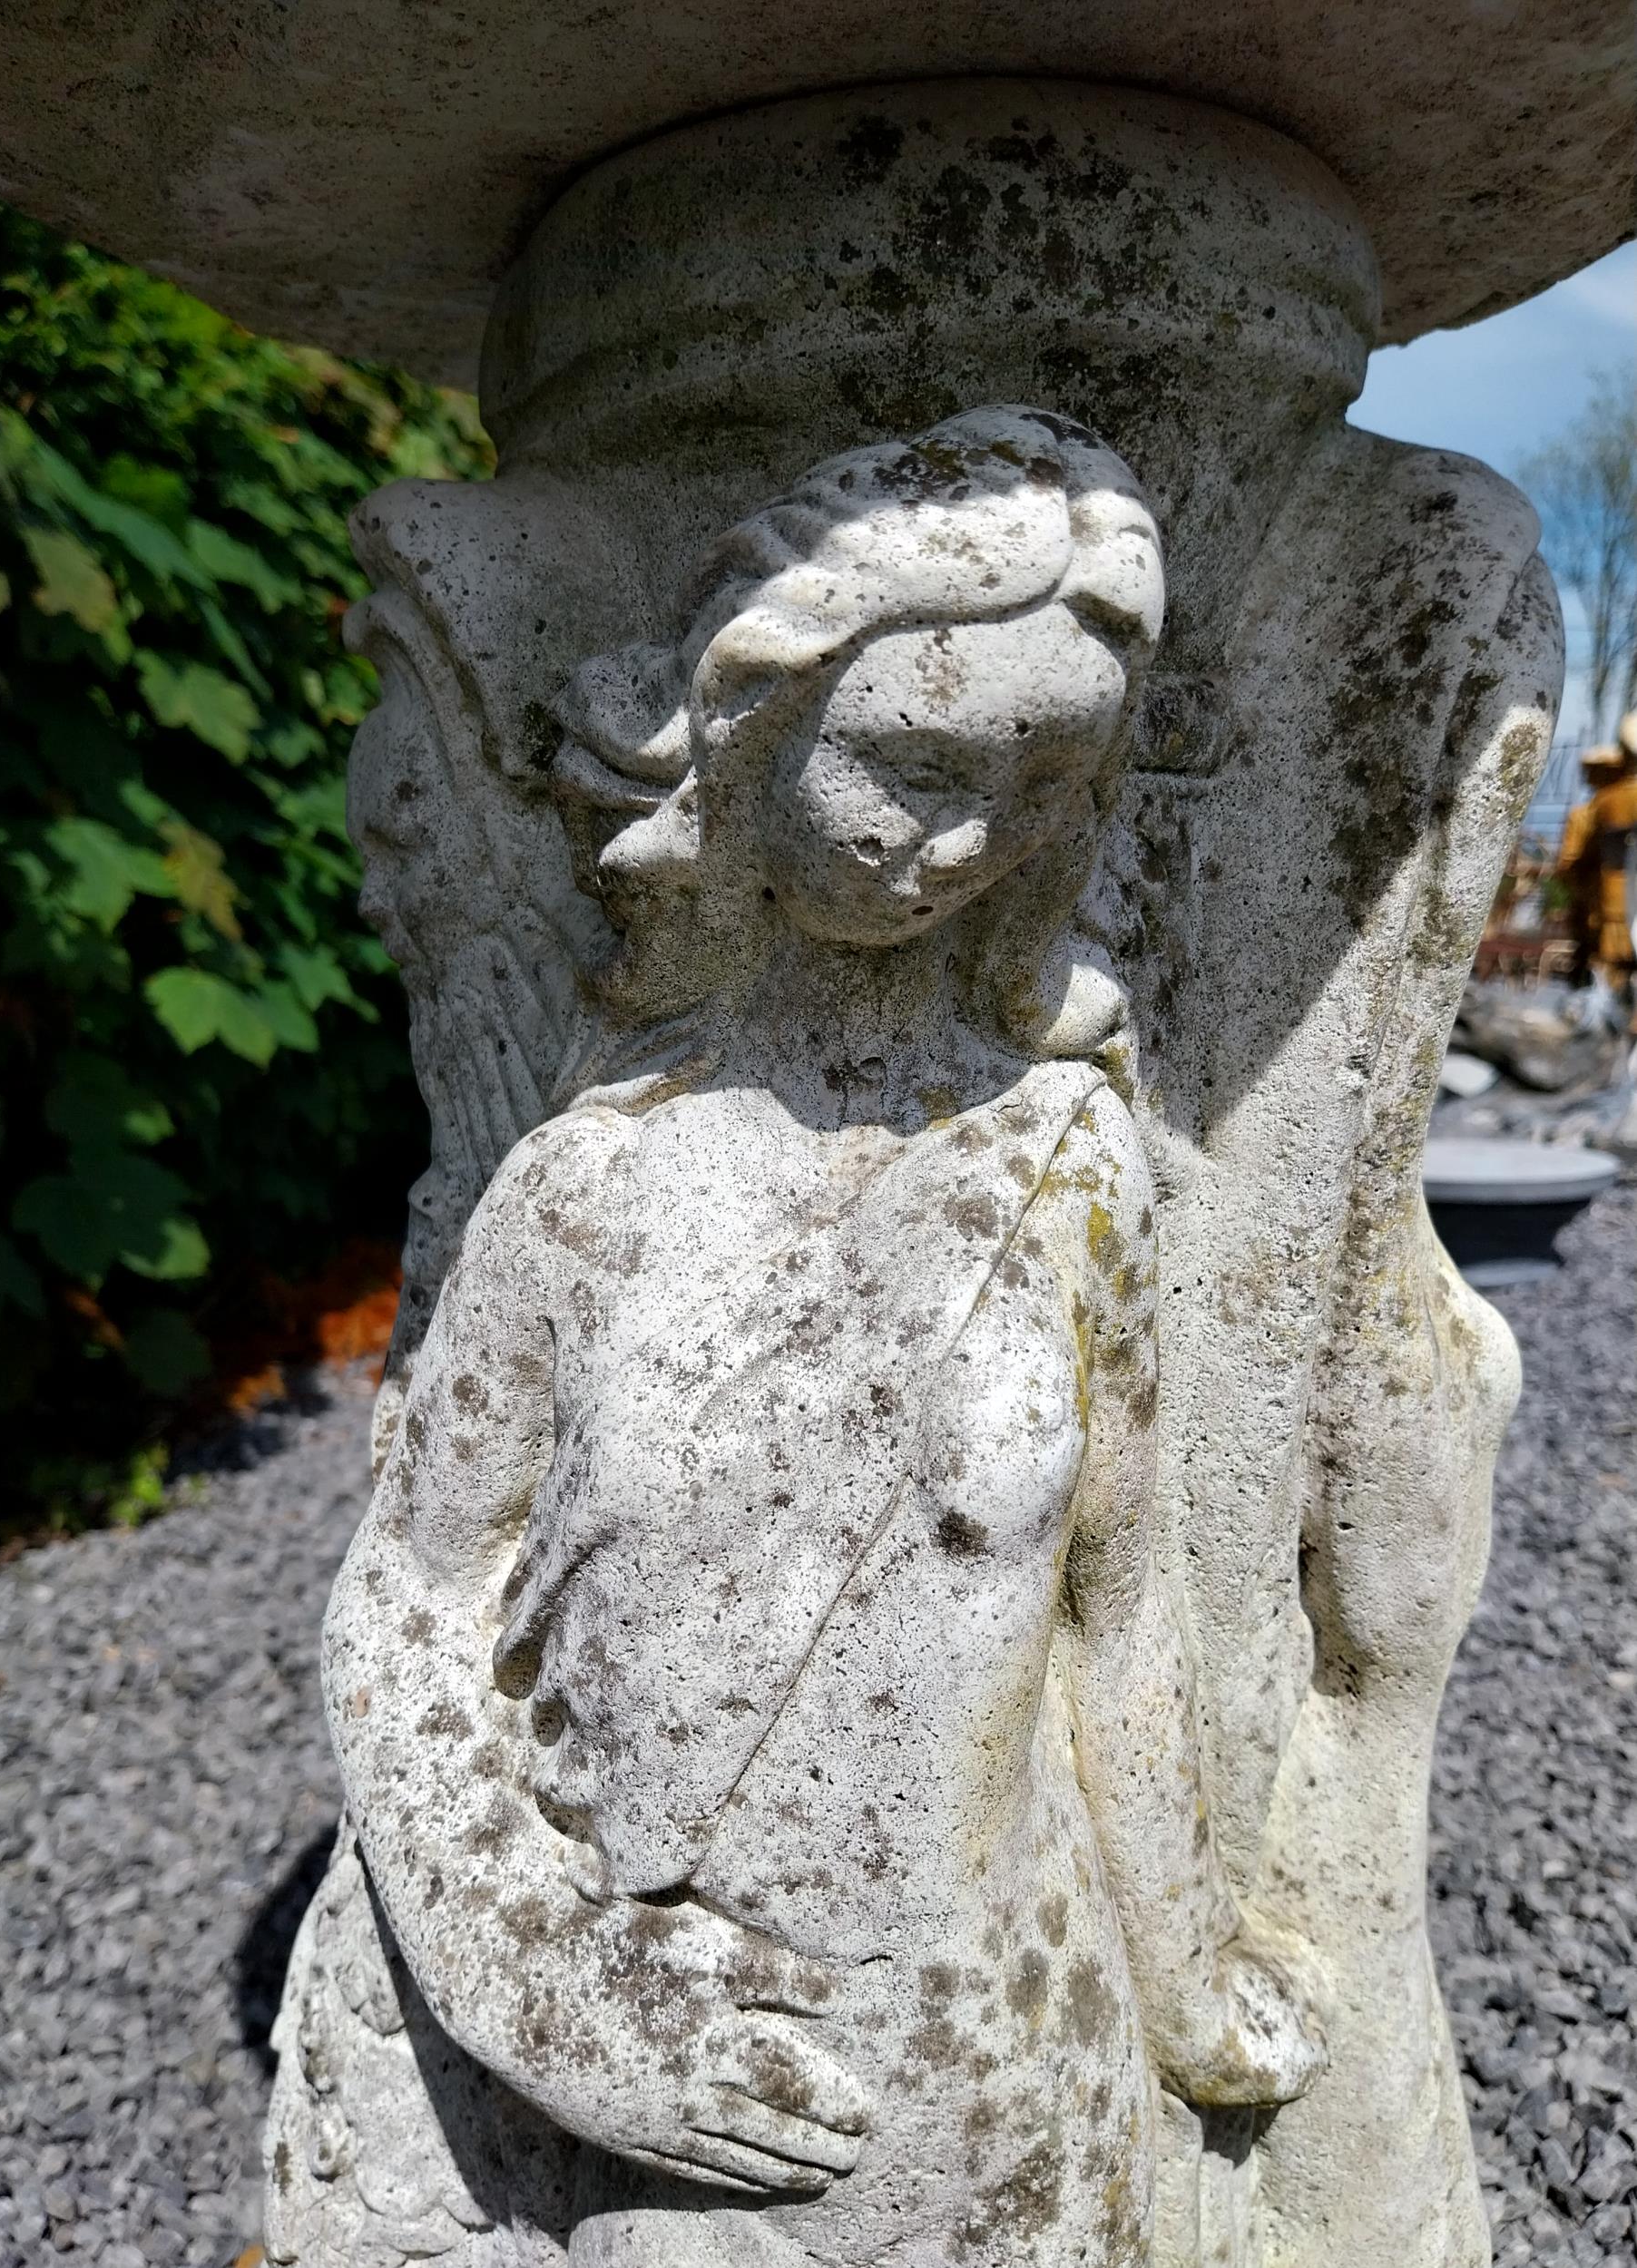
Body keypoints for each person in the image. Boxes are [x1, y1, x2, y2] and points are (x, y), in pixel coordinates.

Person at [299, 410, 1323, 2268]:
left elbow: (1125, 1605)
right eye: (906, 762)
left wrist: (1183, 1979)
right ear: (749, 731)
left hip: (1013, 2046)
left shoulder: (1066, 1155)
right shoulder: (584, 1192)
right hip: (704, 2072)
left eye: (1036, 788)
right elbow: (405, 1601)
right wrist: (541, 1989)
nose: (961, 840)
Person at [1555, 723, 1637, 1007]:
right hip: (1610, 907)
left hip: (1611, 908)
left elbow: (1573, 863)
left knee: (1609, 980)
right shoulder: (1596, 808)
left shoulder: (1604, 804)